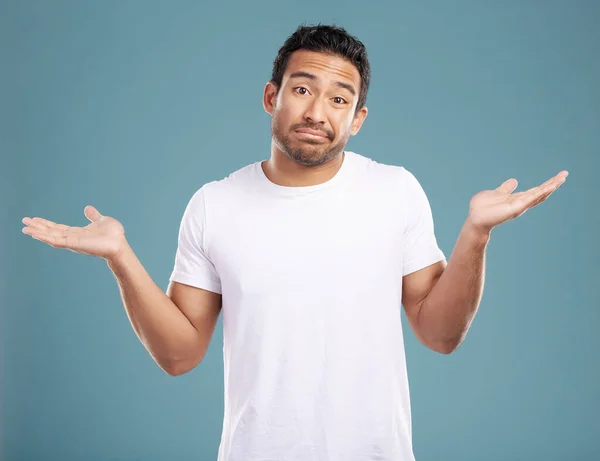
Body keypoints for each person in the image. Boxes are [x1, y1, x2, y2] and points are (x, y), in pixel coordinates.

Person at [22, 24, 568, 461]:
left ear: (358, 120)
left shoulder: (395, 190)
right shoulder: (215, 203)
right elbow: (180, 354)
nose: (316, 112)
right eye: (302, 89)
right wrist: (121, 256)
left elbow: (440, 334)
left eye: (338, 99)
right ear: (271, 96)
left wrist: (475, 235)